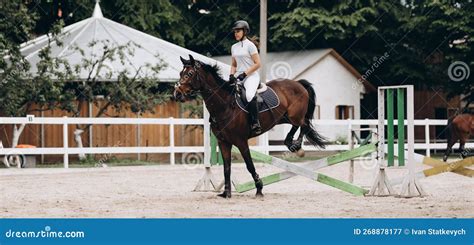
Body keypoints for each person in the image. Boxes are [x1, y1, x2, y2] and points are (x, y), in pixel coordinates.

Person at [229, 20, 262, 134]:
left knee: (248, 95)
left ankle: (255, 123)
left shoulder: (250, 45)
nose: (236, 34)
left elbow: (258, 63)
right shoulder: (234, 47)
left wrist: (245, 74)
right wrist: (231, 75)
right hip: (239, 76)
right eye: (235, 32)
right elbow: (234, 64)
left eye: (238, 31)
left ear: (245, 31)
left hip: (251, 76)